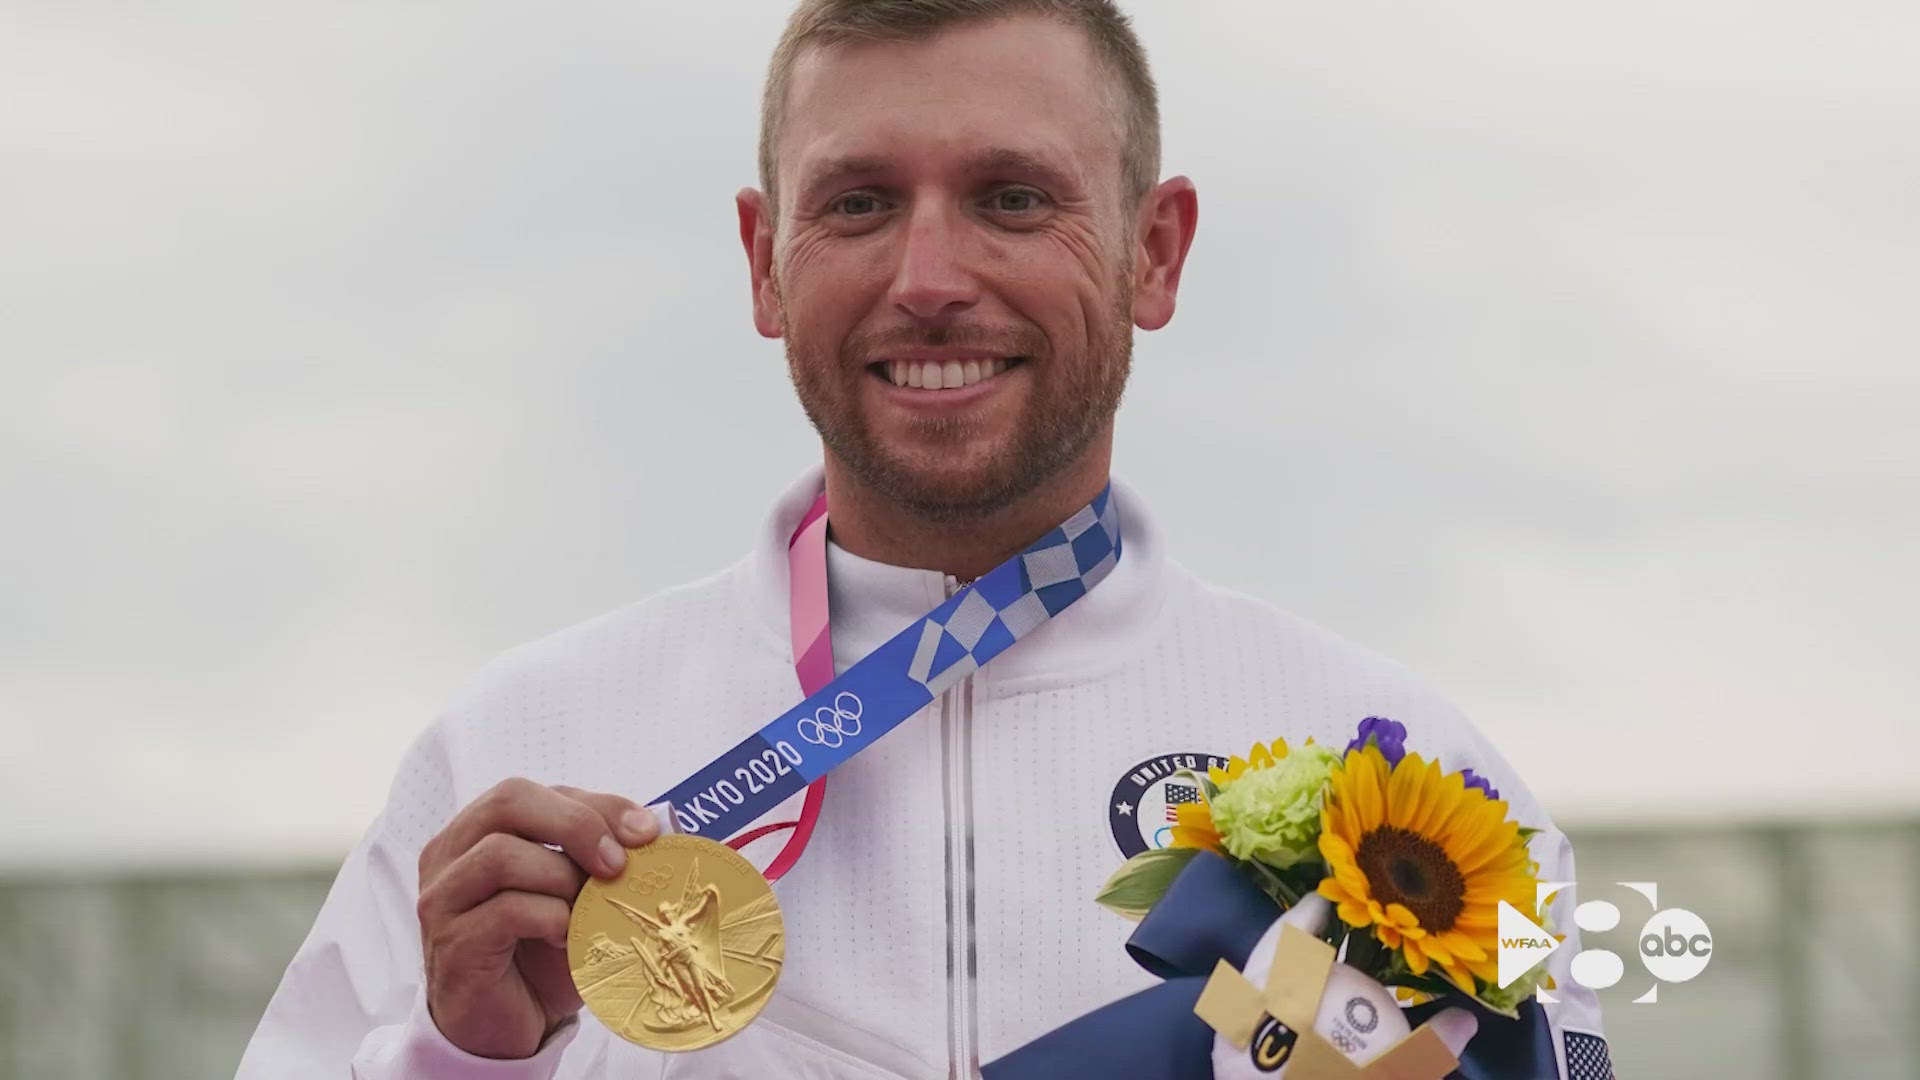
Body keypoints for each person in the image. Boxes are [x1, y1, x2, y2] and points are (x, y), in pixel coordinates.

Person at [237, 2, 1611, 1077]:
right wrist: (463, 1060)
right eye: (858, 203)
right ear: (761, 259)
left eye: (1013, 198)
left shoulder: (1409, 768)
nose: (931, 281)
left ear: (1157, 251)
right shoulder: (517, 746)